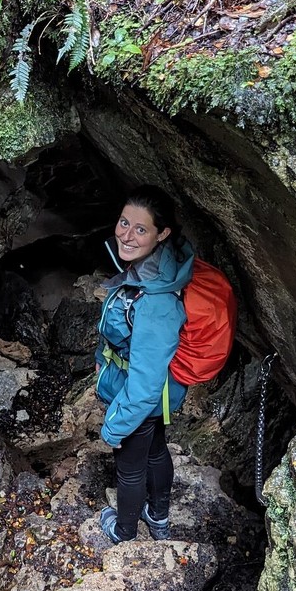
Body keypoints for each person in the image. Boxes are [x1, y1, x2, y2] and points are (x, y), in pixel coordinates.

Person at [94, 185, 195, 543]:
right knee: (154, 450)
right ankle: (159, 517)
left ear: (162, 233)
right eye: (124, 223)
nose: (126, 234)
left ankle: (123, 532)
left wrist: (114, 427)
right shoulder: (152, 269)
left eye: (141, 229)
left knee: (130, 467)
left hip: (144, 396)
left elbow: (145, 383)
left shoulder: (155, 301)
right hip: (160, 395)